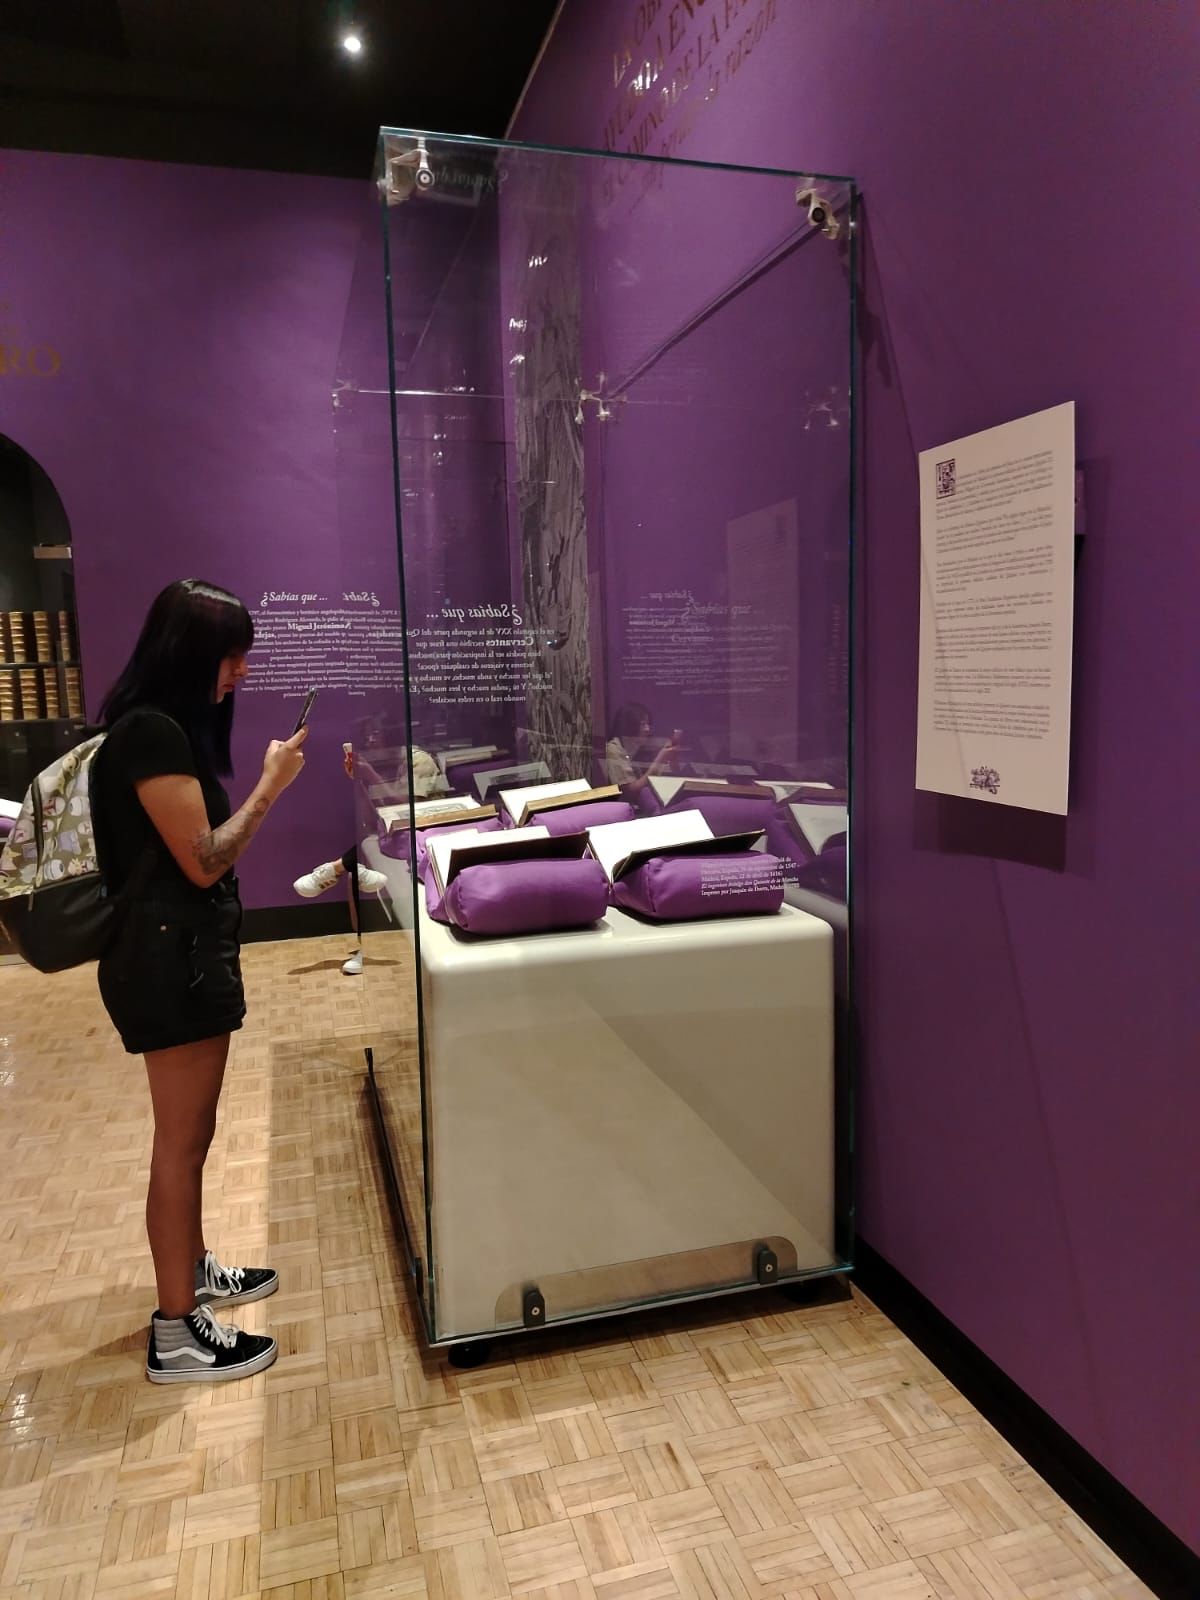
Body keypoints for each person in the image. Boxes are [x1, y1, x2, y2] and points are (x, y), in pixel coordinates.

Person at [92, 579, 306, 1384]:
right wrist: (272, 784)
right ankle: (178, 1330)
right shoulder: (149, 734)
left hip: (178, 956)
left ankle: (194, 1270)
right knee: (180, 1145)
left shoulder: (162, 729)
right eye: (231, 655)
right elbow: (205, 859)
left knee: (193, 1135)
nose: (241, 671)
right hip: (165, 963)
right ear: (190, 653)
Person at [293, 743, 388, 976]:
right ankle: (346, 866)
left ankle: (338, 867)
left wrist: (370, 774)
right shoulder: (393, 759)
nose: (374, 737)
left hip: (418, 833)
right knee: (358, 870)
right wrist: (359, 780)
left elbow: (404, 807)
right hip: (385, 833)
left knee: (360, 863)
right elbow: (373, 819)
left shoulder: (419, 759)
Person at [605, 702, 681, 796]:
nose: (647, 729)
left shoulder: (640, 748)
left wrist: (672, 758)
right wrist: (660, 759)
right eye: (643, 724)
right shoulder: (613, 749)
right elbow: (630, 791)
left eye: (648, 724)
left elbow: (670, 777)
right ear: (630, 725)